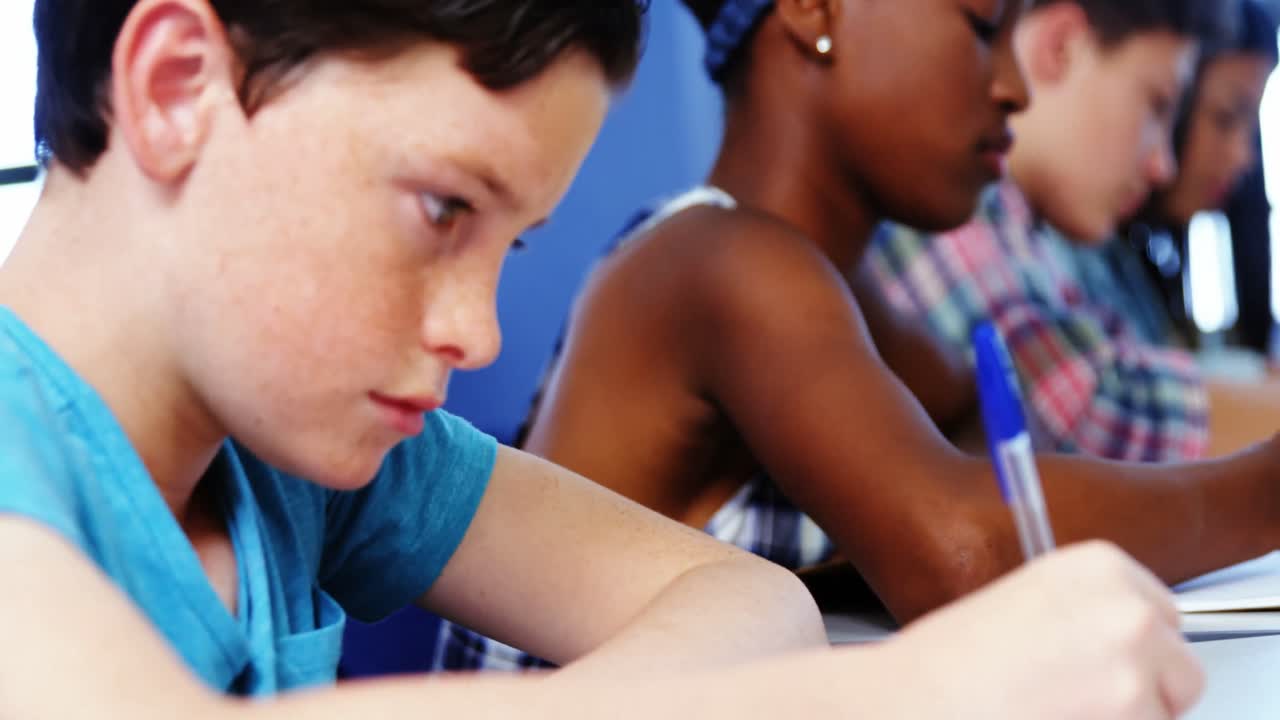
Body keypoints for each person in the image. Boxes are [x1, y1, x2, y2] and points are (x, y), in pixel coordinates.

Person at [0, 0, 1205, 718]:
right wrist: (901, 695)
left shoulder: (294, 450)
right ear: (174, 88)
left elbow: (748, 599)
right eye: (438, 210)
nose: (477, 331)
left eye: (508, 246)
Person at [435, 0, 1280, 670]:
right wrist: (1262, 492)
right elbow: (960, 552)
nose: (1015, 87)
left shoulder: (846, 293)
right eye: (985, 28)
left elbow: (982, 431)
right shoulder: (719, 263)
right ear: (815, 8)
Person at [867, 0, 1280, 459]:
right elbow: (1076, 403)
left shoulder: (1040, 239)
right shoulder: (944, 207)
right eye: (1157, 104)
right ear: (1060, 47)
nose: (1163, 164)